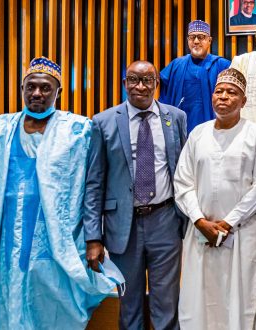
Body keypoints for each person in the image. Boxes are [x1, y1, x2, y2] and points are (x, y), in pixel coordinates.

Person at [0, 57, 117, 329]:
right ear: (22, 89)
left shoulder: (77, 132)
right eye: (31, 87)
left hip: (53, 240)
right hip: (3, 235)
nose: (37, 93)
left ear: (58, 92)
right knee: (3, 295)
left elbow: (93, 185)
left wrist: (93, 238)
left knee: (47, 301)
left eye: (45, 87)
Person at [83, 60, 187, 329]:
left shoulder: (175, 118)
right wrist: (93, 237)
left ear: (156, 84)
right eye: (133, 80)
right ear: (125, 83)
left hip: (165, 221)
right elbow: (94, 183)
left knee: (167, 304)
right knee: (129, 306)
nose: (140, 86)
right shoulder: (103, 122)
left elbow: (185, 173)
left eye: (147, 80)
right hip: (122, 227)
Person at [173, 68, 256, 330]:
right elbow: (183, 182)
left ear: (243, 101)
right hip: (199, 233)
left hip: (240, 235)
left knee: (240, 302)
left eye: (232, 93)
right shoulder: (198, 134)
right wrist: (199, 221)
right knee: (199, 302)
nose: (224, 97)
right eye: (219, 91)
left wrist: (228, 223)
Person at [159, 20, 231, 134]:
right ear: (188, 40)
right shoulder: (176, 65)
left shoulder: (222, 65)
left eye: (201, 37)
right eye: (192, 37)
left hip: (214, 130)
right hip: (180, 130)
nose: (196, 41)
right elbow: (163, 99)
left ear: (209, 40)